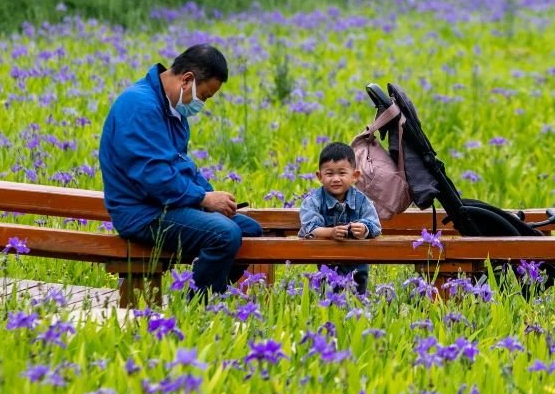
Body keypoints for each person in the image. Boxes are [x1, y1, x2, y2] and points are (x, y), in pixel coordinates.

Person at [99, 43, 262, 298]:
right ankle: (199, 308)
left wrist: (211, 196)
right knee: (225, 233)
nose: (202, 104)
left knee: (250, 230)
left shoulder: (172, 110)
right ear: (187, 80)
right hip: (142, 213)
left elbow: (181, 165)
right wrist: (204, 199)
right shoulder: (139, 105)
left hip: (167, 206)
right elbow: (154, 177)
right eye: (205, 96)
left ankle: (204, 290)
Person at [298, 142, 383, 294]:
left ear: (355, 176)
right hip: (327, 263)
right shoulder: (313, 201)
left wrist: (364, 229)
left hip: (357, 263)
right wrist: (330, 233)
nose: (336, 179)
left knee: (357, 299)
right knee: (329, 297)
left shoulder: (361, 200)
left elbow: (375, 225)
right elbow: (310, 227)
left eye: (342, 173)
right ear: (319, 176)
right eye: (329, 174)